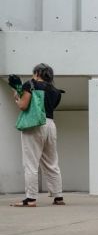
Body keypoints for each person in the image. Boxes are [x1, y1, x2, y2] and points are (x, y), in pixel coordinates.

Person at [10, 63, 64, 207]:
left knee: (31, 163)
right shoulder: (56, 91)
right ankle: (58, 196)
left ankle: (31, 198)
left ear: (37, 73)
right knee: (52, 162)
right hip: (50, 125)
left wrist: (17, 97)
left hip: (34, 125)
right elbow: (49, 107)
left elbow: (23, 105)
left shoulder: (30, 84)